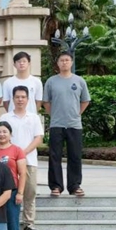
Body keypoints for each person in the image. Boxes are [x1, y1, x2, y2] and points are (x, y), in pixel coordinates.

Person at [43, 52, 91, 197]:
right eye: (62, 60)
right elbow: (46, 102)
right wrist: (54, 115)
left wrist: (77, 113)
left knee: (75, 156)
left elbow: (85, 100)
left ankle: (75, 186)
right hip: (56, 124)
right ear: (58, 63)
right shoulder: (51, 81)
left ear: (71, 62)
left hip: (74, 125)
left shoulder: (79, 81)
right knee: (54, 156)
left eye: (67, 60)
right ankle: (56, 186)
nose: (64, 62)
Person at [0, 86, 45, 230]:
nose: (20, 100)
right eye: (17, 97)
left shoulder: (34, 117)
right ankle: (5, 220)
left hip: (29, 160)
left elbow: (38, 138)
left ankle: (28, 223)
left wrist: (22, 153)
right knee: (7, 190)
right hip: (8, 161)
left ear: (28, 99)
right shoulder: (5, 117)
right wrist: (14, 154)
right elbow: (0, 137)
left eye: (23, 97)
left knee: (30, 191)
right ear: (12, 99)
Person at [0, 122, 26, 230]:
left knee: (12, 225)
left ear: (10, 134)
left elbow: (22, 173)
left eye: (4, 131)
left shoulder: (17, 150)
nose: (2, 134)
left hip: (12, 193)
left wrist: (20, 192)